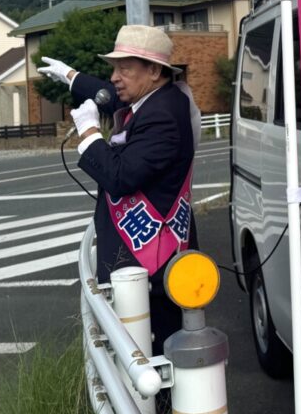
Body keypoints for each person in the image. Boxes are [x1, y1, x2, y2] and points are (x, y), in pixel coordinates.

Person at [38, 24, 198, 355]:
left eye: (124, 68)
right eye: (113, 68)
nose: (114, 77)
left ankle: (155, 408)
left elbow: (120, 177)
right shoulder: (156, 99)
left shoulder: (162, 116)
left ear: (154, 71)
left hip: (150, 262)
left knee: (147, 352)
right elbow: (109, 96)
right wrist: (71, 76)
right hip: (143, 257)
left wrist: (90, 133)